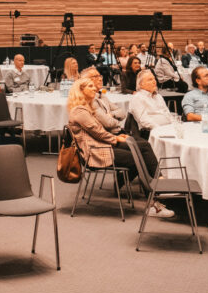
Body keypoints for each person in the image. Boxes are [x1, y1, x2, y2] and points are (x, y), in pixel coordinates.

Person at [66, 78, 171, 217]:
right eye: (90, 86)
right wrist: (116, 138)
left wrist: (116, 138)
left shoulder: (87, 108)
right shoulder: (79, 111)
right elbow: (98, 132)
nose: (94, 88)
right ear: (80, 91)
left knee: (143, 147)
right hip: (96, 153)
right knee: (138, 157)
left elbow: (100, 132)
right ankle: (154, 201)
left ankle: (159, 186)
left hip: (102, 145)